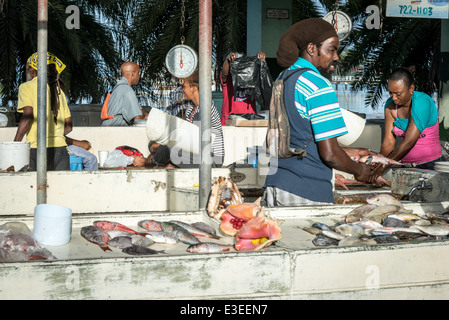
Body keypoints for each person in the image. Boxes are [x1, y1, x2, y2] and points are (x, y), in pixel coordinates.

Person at [262, 18, 372, 206]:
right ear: (312, 49)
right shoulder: (318, 85)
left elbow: (299, 138)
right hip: (306, 190)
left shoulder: (283, 78)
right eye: (332, 49)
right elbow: (330, 155)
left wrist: (346, 152)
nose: (336, 57)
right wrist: (359, 170)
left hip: (276, 185)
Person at [369, 67, 443, 181]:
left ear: (411, 88)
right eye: (390, 93)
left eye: (398, 93)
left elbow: (409, 142)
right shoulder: (390, 106)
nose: (394, 98)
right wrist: (378, 163)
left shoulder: (422, 102)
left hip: (430, 165)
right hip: (405, 166)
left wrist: (382, 167)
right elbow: (388, 142)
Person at [14, 52, 72, 171]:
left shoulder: (26, 87)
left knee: (36, 188)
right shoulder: (58, 91)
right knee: (59, 189)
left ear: (32, 70)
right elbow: (69, 126)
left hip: (37, 149)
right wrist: (55, 136)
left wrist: (16, 144)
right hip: (61, 150)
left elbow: (28, 117)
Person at [177, 71, 225, 167]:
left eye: (184, 87)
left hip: (211, 160)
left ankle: (150, 162)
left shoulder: (205, 108)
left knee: (173, 152)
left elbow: (193, 140)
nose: (181, 90)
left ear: (194, 88)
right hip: (197, 154)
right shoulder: (191, 108)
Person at [220, 51, 267, 125]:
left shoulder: (252, 77)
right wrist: (228, 60)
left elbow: (264, 79)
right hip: (230, 122)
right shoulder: (229, 78)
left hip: (250, 122)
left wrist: (262, 62)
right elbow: (224, 74)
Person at [101, 61, 148, 126]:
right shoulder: (127, 90)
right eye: (138, 73)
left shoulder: (118, 88)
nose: (139, 76)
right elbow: (138, 118)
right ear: (132, 74)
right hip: (115, 133)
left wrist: (145, 114)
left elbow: (139, 109)